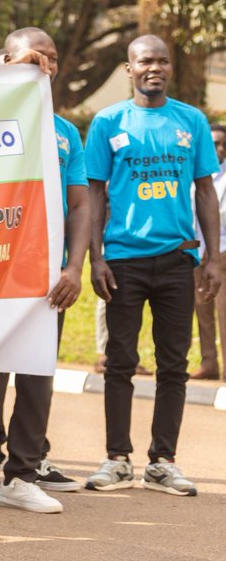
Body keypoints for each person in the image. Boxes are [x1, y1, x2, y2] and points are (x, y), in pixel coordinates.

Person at [0, 27, 89, 516]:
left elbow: (81, 204)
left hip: (48, 274)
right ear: (7, 61)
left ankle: (22, 475)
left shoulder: (66, 132)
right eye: (33, 57)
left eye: (51, 58)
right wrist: (14, 73)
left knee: (37, 377)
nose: (44, 65)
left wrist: (75, 265)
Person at [84, 34, 221, 496]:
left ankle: (163, 461)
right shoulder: (107, 122)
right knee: (120, 362)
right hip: (123, 260)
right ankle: (117, 459)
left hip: (178, 260)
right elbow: (95, 194)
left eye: (162, 60)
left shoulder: (191, 120)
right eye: (145, 61)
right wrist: (96, 256)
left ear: (170, 67)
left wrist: (212, 258)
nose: (154, 68)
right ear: (129, 69)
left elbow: (206, 190)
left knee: (173, 364)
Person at [190, 124, 226, 380]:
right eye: (215, 144)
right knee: (201, 308)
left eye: (224, 145)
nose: (220, 149)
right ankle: (209, 363)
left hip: (223, 251)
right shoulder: (195, 175)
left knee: (224, 311)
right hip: (196, 251)